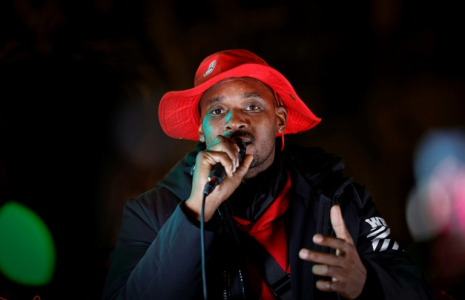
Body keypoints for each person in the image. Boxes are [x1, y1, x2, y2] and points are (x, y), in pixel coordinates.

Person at [101, 49, 434, 300]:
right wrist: (196, 213)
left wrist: (366, 283)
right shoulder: (150, 212)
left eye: (253, 106)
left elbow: (416, 289)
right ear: (201, 132)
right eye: (217, 111)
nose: (234, 120)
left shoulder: (340, 198)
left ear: (280, 122)